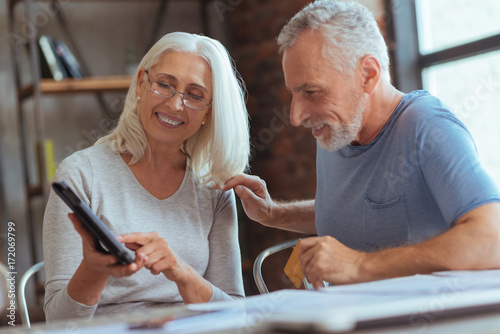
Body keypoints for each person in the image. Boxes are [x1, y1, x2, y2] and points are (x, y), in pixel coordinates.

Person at [221, 0, 500, 288]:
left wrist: (359, 264)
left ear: (367, 74)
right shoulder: (337, 130)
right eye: (294, 92)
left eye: (312, 91)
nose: (295, 116)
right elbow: (353, 210)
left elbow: (492, 238)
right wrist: (274, 213)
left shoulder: (427, 127)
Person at [43, 31, 249, 322]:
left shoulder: (214, 187)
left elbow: (236, 316)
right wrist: (94, 269)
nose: (175, 105)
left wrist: (181, 272)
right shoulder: (81, 174)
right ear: (141, 83)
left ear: (209, 112)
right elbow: (59, 323)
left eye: (195, 95)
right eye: (165, 85)